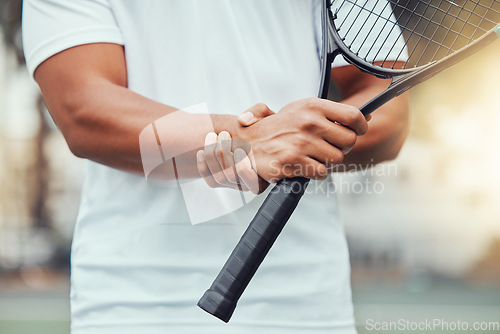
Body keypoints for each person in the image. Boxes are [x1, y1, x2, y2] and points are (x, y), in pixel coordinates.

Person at [22, 0, 409, 333]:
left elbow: (389, 110)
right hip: (135, 300)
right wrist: (246, 142)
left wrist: (295, 145)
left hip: (308, 301)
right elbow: (85, 114)